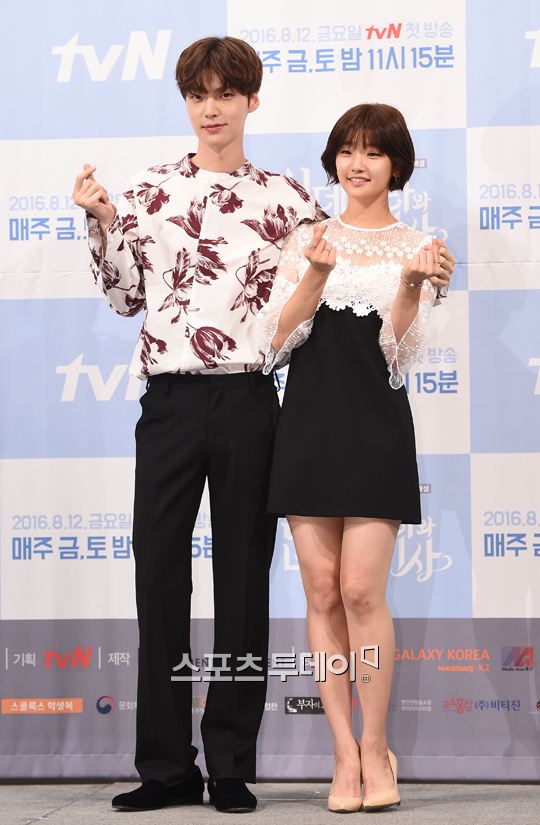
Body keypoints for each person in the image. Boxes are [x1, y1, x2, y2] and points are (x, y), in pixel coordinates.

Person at [72, 36, 324, 814]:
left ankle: (231, 762)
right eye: (197, 94)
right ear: (186, 102)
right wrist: (101, 221)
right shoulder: (147, 191)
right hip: (170, 403)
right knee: (159, 577)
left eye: (225, 94)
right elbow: (124, 299)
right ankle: (165, 766)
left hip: (250, 399)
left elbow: (304, 315)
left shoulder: (288, 200)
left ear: (253, 100)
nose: (210, 108)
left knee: (243, 579)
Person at [257, 103, 454, 813]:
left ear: (396, 164)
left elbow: (397, 356)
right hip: (306, 428)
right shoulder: (307, 238)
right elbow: (274, 343)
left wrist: (411, 283)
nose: (357, 163)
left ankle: (376, 746)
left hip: (375, 430)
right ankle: (342, 752)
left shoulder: (419, 246)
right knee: (321, 591)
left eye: (372, 151)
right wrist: (314, 274)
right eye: (346, 149)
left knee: (362, 591)